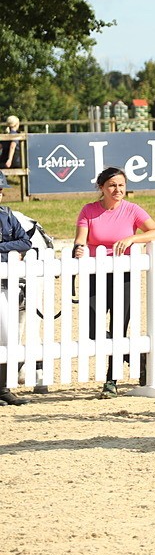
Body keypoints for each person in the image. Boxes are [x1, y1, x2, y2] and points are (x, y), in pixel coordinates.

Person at [73, 167, 155, 398]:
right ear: (101, 188)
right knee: (92, 329)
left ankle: (111, 381)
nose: (118, 190)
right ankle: (135, 356)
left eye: (121, 185)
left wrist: (133, 237)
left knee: (118, 329)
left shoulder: (132, 210)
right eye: (112, 185)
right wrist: (79, 250)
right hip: (95, 275)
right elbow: (80, 240)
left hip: (124, 277)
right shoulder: (89, 210)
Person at [0, 172, 32, 405]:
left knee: (7, 336)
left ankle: (2, 388)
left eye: (1, 191)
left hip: (7, 283)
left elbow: (25, 241)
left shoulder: (8, 215)